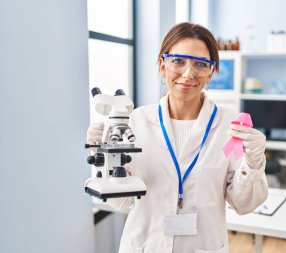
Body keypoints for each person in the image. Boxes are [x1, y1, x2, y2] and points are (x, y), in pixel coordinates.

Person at [87, 22, 268, 253]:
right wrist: (101, 154)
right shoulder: (136, 122)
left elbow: (244, 204)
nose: (188, 73)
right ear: (163, 65)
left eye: (200, 64)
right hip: (146, 245)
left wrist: (254, 164)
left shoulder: (229, 128)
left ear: (211, 72)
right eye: (178, 61)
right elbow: (121, 202)